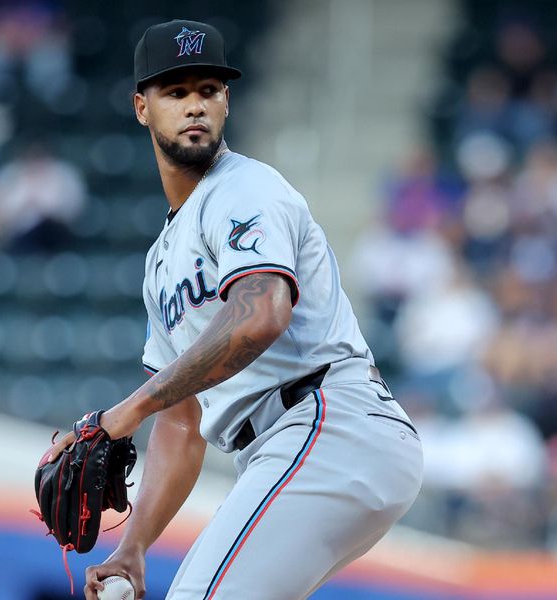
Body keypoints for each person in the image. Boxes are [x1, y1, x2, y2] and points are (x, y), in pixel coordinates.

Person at [48, 19, 423, 600]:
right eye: (176, 92)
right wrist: (135, 545)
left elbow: (260, 313)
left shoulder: (244, 189)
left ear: (227, 101)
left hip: (326, 421)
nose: (195, 105)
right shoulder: (160, 261)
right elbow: (181, 421)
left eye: (209, 90)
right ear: (142, 107)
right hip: (292, 447)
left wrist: (121, 415)